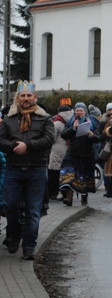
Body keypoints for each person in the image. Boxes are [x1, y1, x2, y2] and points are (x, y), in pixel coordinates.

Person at [0, 81, 55, 260]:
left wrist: (28, 146)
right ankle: (14, 234)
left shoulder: (45, 118)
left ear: (34, 98)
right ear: (18, 98)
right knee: (10, 205)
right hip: (14, 168)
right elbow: (1, 140)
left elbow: (48, 140)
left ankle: (29, 246)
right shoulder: (9, 119)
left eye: (28, 96)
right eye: (22, 96)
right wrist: (15, 146)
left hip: (36, 169)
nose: (25, 99)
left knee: (33, 210)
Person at [59, 102, 100, 206]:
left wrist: (91, 135)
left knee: (84, 177)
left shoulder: (92, 122)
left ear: (85, 111)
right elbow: (63, 135)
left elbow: (98, 138)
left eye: (81, 110)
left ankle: (84, 199)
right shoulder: (71, 121)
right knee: (69, 176)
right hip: (72, 153)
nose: (79, 112)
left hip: (87, 154)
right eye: (77, 110)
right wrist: (73, 128)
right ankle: (69, 198)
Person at [47, 99, 74, 206]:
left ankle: (53, 193)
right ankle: (65, 193)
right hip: (69, 149)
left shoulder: (57, 122)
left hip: (57, 149)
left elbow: (52, 137)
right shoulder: (73, 120)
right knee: (65, 172)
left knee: (53, 172)